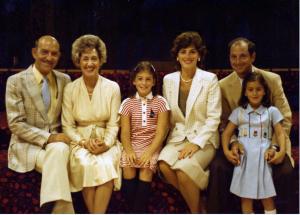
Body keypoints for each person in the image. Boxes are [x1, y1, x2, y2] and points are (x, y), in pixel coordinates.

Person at [207, 37, 294, 213]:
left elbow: (284, 119)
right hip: (241, 145)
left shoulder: (271, 79)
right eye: (233, 57)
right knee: (218, 168)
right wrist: (232, 144)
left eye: (243, 56)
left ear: (253, 57)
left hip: (270, 142)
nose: (238, 61)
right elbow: (223, 123)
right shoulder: (222, 85)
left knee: (285, 171)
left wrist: (276, 147)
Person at [5, 35, 74, 213]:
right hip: (26, 145)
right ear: (34, 53)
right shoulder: (15, 81)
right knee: (59, 160)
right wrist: (49, 137)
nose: (49, 58)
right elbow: (16, 124)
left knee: (59, 150)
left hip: (58, 144)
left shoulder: (65, 80)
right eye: (44, 52)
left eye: (54, 54)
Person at [158, 31, 221, 213]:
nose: (187, 56)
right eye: (183, 51)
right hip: (178, 137)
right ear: (177, 56)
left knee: (184, 170)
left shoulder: (209, 79)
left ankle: (196, 212)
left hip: (204, 139)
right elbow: (169, 116)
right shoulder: (168, 80)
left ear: (199, 55)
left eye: (192, 51)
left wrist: (196, 144)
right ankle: (201, 200)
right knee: (163, 165)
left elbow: (214, 118)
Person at [62, 34, 122, 213]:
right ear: (78, 61)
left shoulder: (113, 87)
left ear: (101, 60)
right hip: (79, 142)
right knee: (85, 164)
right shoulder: (70, 89)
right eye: (85, 58)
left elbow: (113, 124)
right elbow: (67, 126)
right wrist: (83, 142)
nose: (90, 63)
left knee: (107, 164)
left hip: (106, 140)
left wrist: (107, 144)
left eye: (94, 58)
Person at [222, 72, 286, 214]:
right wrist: (227, 152)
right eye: (250, 89)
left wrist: (280, 151)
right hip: (244, 157)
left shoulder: (271, 111)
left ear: (264, 91)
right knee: (245, 196)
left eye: (258, 89)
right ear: (245, 92)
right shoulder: (239, 112)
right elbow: (226, 134)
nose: (255, 93)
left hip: (263, 156)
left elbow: (280, 133)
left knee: (266, 194)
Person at [119, 61, 170, 213]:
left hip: (152, 145)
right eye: (140, 78)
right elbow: (125, 133)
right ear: (134, 81)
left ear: (154, 81)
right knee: (128, 167)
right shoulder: (127, 103)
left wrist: (149, 153)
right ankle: (133, 210)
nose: (144, 82)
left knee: (146, 169)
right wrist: (129, 151)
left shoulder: (160, 102)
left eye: (148, 79)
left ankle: (138, 210)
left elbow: (161, 132)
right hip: (133, 144)